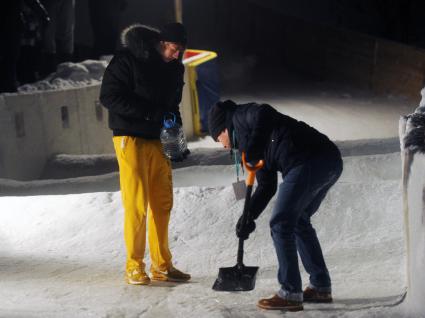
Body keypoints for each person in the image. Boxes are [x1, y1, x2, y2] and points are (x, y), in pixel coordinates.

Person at [208, 100, 343, 311]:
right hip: (327, 160)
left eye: (219, 138)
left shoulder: (241, 116)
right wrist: (249, 216)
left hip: (309, 159)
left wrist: (253, 146)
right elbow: (267, 186)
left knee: (281, 223)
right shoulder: (247, 146)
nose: (223, 145)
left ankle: (290, 293)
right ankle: (320, 287)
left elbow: (266, 111)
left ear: (224, 128)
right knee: (298, 221)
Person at [100, 22, 190, 285]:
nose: (177, 54)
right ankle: (134, 265)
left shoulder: (176, 68)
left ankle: (162, 265)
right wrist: (151, 113)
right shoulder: (128, 60)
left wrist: (176, 141)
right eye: (175, 48)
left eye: (181, 50)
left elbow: (172, 107)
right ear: (162, 43)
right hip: (130, 136)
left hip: (159, 139)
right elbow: (109, 97)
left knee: (163, 203)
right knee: (137, 204)